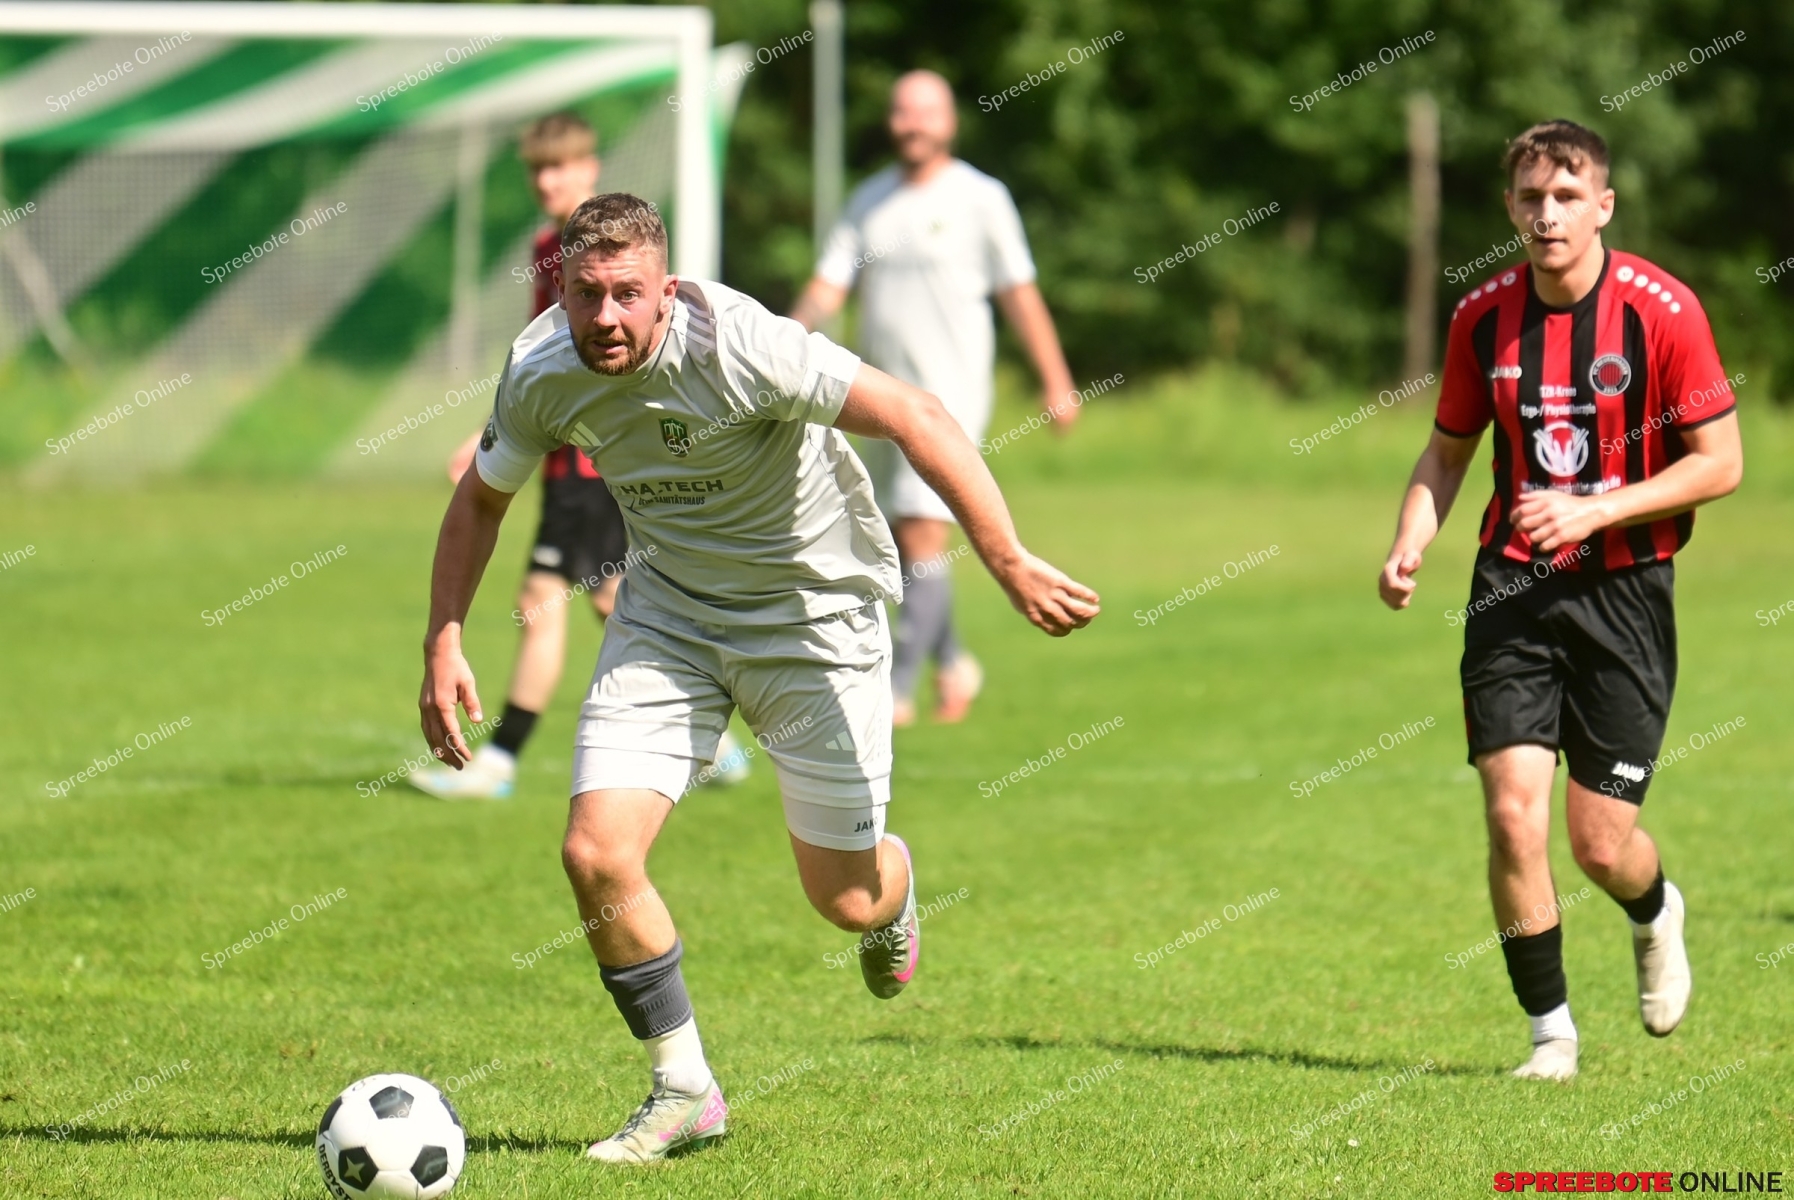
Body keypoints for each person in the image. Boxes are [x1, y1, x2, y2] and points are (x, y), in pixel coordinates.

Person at [417, 194, 1098, 1160]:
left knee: (845, 901)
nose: (605, 316)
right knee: (596, 855)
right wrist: (443, 638)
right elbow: (481, 501)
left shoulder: (744, 346)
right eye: (585, 293)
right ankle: (683, 1089)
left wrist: (1008, 558)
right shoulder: (541, 369)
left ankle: (893, 889)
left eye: (626, 294)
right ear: (560, 290)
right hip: (669, 618)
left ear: (665, 289)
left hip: (814, 621)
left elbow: (916, 414)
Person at [1378, 121, 1741, 1081]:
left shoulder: (1663, 312)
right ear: (1511, 208)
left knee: (1600, 846)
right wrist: (1412, 537)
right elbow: (1447, 453)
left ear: (1603, 206)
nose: (1549, 215)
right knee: (1511, 815)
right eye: (1533, 198)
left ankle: (1655, 910)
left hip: (1626, 596)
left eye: (1568, 197)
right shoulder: (1483, 317)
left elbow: (1721, 464)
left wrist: (1597, 509)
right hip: (1512, 589)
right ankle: (1552, 1037)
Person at [411, 113, 748, 801]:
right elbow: (541, 361)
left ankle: (500, 762)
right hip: (570, 459)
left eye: (559, 167)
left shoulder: (615, 250)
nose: (546, 181)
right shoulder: (549, 250)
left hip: (596, 463)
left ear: (590, 169)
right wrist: (491, 432)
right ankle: (716, 738)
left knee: (545, 600)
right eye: (537, 169)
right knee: (610, 597)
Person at [791, 69, 1078, 727]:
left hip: (950, 398)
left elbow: (1019, 292)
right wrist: (776, 342)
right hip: (878, 398)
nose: (912, 123)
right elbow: (828, 287)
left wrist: (1055, 377)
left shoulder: (982, 198)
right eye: (901, 112)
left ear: (949, 121)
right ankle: (954, 661)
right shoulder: (869, 200)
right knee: (898, 534)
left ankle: (894, 692)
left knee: (923, 530)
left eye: (925, 112)